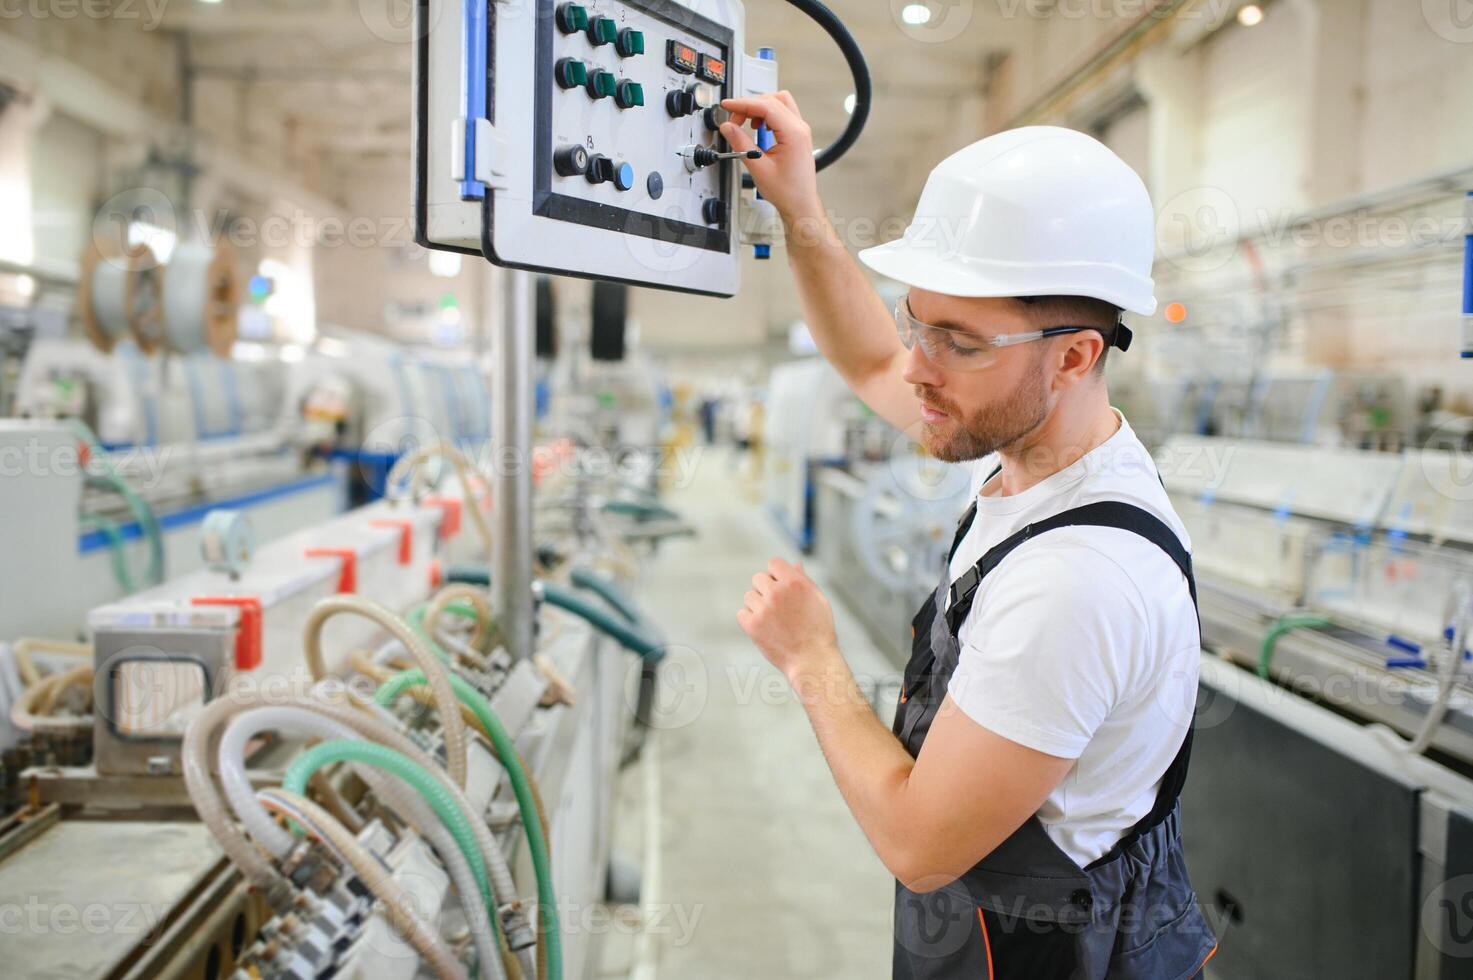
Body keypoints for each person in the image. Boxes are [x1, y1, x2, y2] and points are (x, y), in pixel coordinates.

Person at [725, 92, 1218, 979]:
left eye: (956, 341)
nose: (916, 366)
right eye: (919, 321)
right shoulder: (1024, 448)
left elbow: (920, 844)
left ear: (1073, 356)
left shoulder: (1075, 580)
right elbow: (870, 360)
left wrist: (810, 660)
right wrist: (798, 209)